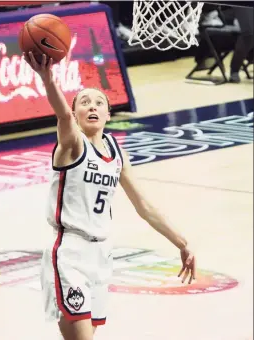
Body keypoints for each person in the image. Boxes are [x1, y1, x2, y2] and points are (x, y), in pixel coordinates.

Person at [23, 51, 196, 340]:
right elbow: (62, 114)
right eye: (84, 103)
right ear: (76, 114)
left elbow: (144, 206)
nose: (92, 107)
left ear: (108, 114)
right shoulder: (71, 145)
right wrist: (47, 78)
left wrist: (183, 242)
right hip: (70, 253)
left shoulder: (117, 154)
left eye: (99, 103)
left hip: (102, 255)